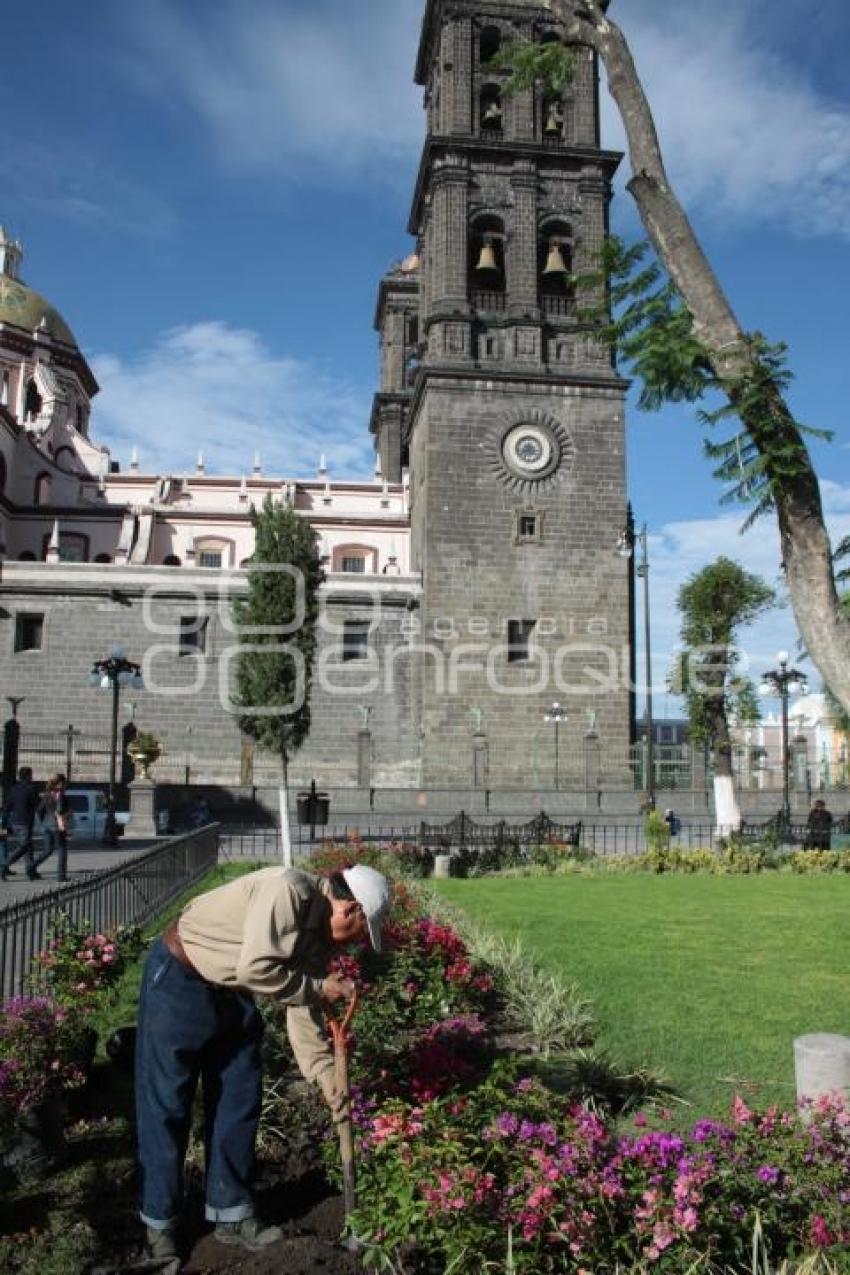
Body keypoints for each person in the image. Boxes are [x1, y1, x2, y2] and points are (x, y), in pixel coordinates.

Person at [135, 862, 391, 1267]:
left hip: (233, 994)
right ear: (350, 909)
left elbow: (303, 1011)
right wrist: (321, 987)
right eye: (361, 934)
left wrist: (328, 1081)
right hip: (180, 978)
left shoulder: (317, 939)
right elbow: (257, 968)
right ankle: (160, 1225)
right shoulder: (287, 891)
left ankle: (230, 1213)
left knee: (240, 1096)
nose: (353, 946)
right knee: (167, 1105)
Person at [1, 766, 40, 881]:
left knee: (28, 847)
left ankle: (31, 871)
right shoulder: (31, 788)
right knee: (24, 846)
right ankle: (4, 865)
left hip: (14, 821)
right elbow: (36, 804)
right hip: (25, 822)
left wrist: (4, 820)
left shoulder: (14, 788)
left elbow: (7, 806)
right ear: (29, 776)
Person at [33, 774, 72, 882]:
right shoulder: (61, 795)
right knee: (62, 850)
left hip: (46, 826)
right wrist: (67, 814)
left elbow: (39, 810)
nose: (66, 785)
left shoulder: (46, 795)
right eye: (64, 783)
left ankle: (31, 866)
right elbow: (59, 810)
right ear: (61, 783)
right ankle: (61, 876)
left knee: (47, 850)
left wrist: (43, 822)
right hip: (58, 826)